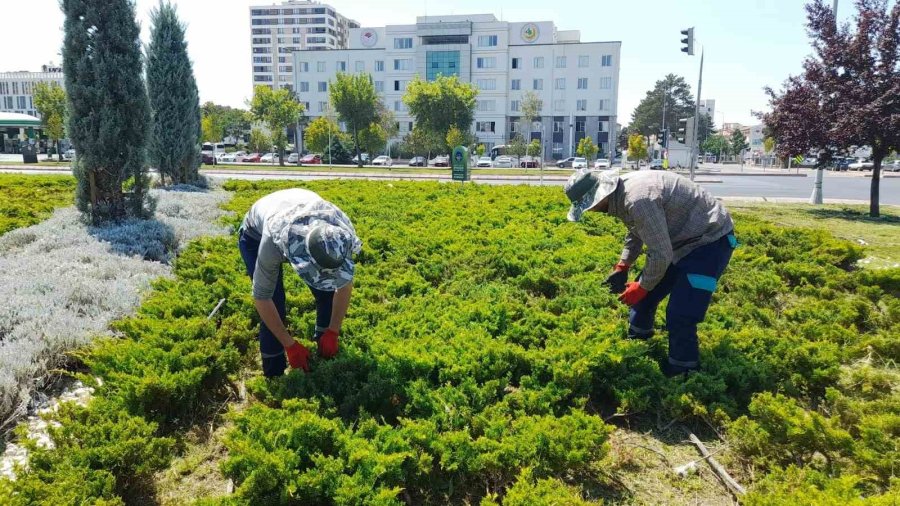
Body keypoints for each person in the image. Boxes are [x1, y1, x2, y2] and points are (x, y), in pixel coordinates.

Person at [564, 169, 736, 377]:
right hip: (679, 241)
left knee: (681, 312)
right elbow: (636, 230)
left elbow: (661, 254)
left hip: (710, 241)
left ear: (600, 197)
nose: (590, 211)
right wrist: (623, 266)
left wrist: (643, 286)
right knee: (644, 298)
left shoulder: (639, 199)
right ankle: (639, 345)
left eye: (589, 206)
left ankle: (684, 371)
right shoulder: (623, 195)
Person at [238, 188, 361, 377]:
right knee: (275, 304)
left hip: (301, 209)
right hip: (256, 233)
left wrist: (333, 331)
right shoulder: (272, 242)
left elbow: (344, 284)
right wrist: (290, 345)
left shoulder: (339, 237)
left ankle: (323, 351)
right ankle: (275, 375)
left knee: (326, 293)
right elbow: (262, 298)